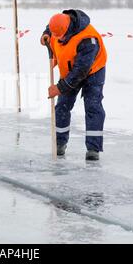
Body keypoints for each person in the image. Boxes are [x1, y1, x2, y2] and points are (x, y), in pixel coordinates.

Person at [41, 10, 107, 161]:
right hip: (69, 69)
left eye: (59, 36)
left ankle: (93, 149)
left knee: (93, 106)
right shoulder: (59, 26)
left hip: (92, 71)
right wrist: (45, 34)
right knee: (62, 106)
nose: (57, 39)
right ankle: (59, 143)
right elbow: (51, 28)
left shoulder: (88, 39)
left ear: (68, 29)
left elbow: (80, 71)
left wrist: (59, 88)